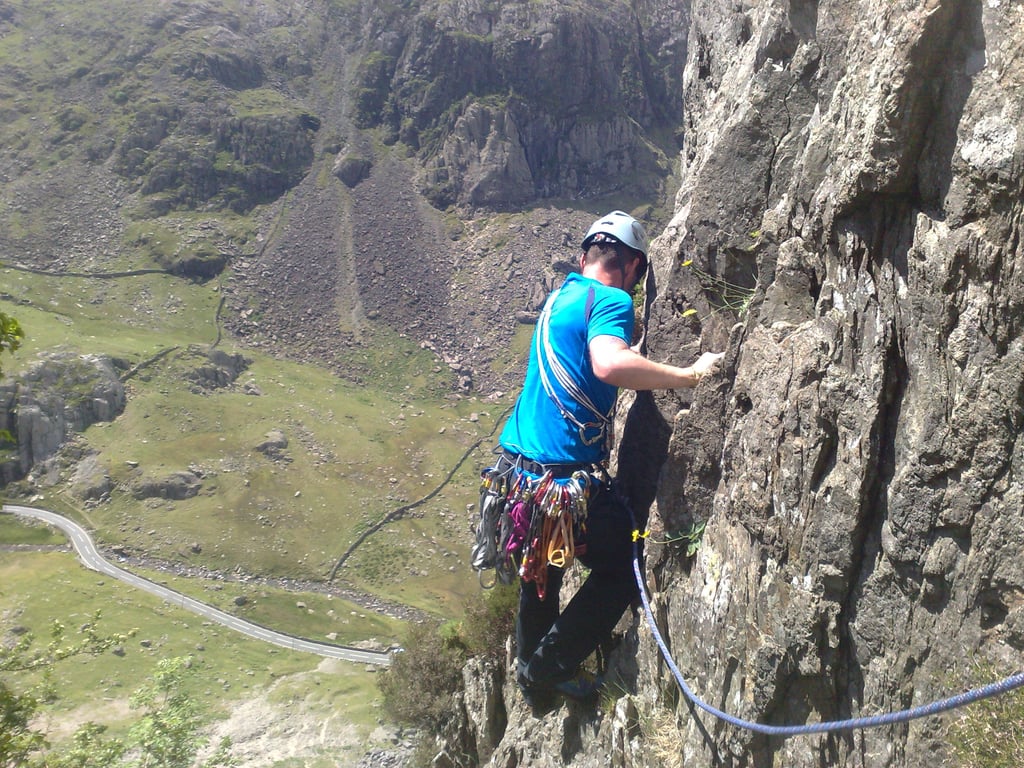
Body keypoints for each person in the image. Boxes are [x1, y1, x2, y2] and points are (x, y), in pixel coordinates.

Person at [496, 210, 724, 710]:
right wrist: (687, 375)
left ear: (584, 258)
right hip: (559, 482)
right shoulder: (613, 298)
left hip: (520, 476)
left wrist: (635, 349)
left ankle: (529, 668)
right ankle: (545, 670)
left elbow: (589, 354)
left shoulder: (560, 298)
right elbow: (607, 362)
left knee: (543, 570)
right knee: (621, 568)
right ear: (634, 268)